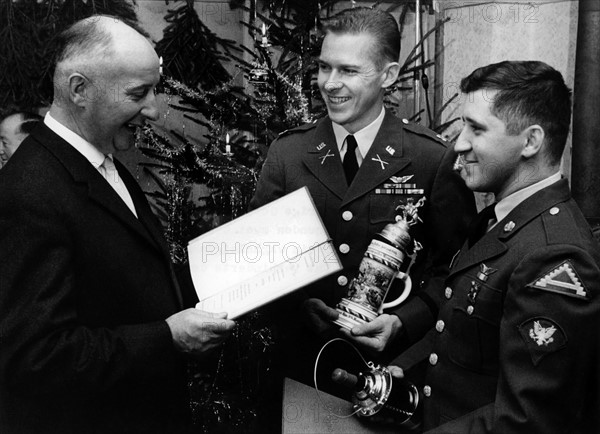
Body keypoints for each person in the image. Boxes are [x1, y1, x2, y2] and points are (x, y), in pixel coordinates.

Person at [0, 16, 235, 433]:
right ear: (79, 90)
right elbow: (34, 356)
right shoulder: (28, 193)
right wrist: (168, 338)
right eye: (138, 93)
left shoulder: (101, 160)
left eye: (155, 89)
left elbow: (125, 278)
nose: (155, 110)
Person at [249, 7, 475, 383]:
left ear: (389, 76)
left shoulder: (430, 158)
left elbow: (456, 267)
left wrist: (404, 320)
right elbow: (260, 258)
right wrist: (299, 305)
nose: (330, 83)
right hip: (303, 366)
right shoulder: (289, 153)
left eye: (349, 71)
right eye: (325, 67)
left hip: (392, 369)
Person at [390, 60, 600, 433]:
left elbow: (527, 421)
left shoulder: (554, 256)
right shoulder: (502, 221)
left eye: (477, 129)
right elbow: (462, 343)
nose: (460, 144)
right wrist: (402, 376)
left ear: (531, 141)